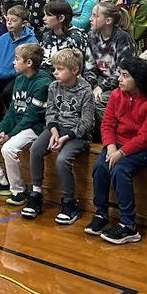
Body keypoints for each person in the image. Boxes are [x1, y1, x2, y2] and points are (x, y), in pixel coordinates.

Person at [86, 57, 147, 244]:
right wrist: (111, 146)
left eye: (125, 76)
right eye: (120, 74)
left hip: (145, 149)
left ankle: (129, 225)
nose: (119, 79)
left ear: (139, 79)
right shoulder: (116, 95)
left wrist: (121, 153)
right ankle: (101, 213)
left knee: (120, 169)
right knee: (100, 168)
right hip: (117, 144)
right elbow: (108, 124)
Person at [22, 47, 94, 224]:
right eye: (54, 68)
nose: (55, 72)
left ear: (75, 70)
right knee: (36, 149)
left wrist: (65, 137)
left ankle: (70, 202)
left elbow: (86, 123)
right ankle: (36, 193)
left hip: (77, 135)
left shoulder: (86, 91)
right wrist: (54, 132)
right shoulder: (54, 87)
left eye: (60, 69)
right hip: (57, 129)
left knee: (62, 159)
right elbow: (51, 113)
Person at [0, 43, 52, 205]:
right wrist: (3, 130)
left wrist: (9, 135)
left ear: (29, 63)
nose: (13, 62)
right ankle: (1, 180)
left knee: (8, 148)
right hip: (17, 123)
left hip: (34, 127)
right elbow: (12, 110)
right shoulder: (19, 79)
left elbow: (31, 117)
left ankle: (19, 190)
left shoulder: (42, 84)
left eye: (17, 59)